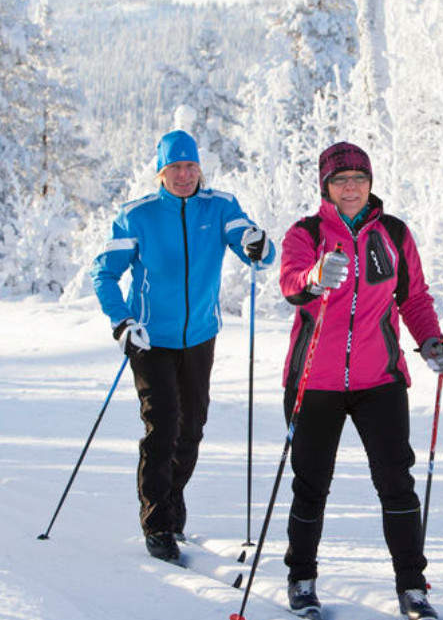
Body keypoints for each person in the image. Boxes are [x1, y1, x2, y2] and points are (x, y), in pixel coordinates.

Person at [277, 142, 443, 620]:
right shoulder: (306, 232)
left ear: (371, 181)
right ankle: (301, 579)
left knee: (396, 484)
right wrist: (317, 276)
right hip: (313, 382)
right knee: (311, 484)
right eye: (340, 180)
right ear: (326, 187)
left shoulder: (395, 234)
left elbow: (414, 299)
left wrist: (432, 342)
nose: (351, 187)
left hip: (379, 379)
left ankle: (412, 588)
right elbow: (292, 284)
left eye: (359, 177)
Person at [91, 129, 276, 562]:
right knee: (163, 427)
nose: (184, 175)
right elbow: (104, 274)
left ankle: (173, 500)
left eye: (191, 166)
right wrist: (122, 321)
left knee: (192, 428)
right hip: (150, 339)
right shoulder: (137, 216)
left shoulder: (220, 206)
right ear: (161, 172)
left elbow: (258, 252)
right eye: (174, 167)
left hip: (199, 338)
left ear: (200, 168)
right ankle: (157, 521)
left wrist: (259, 245)